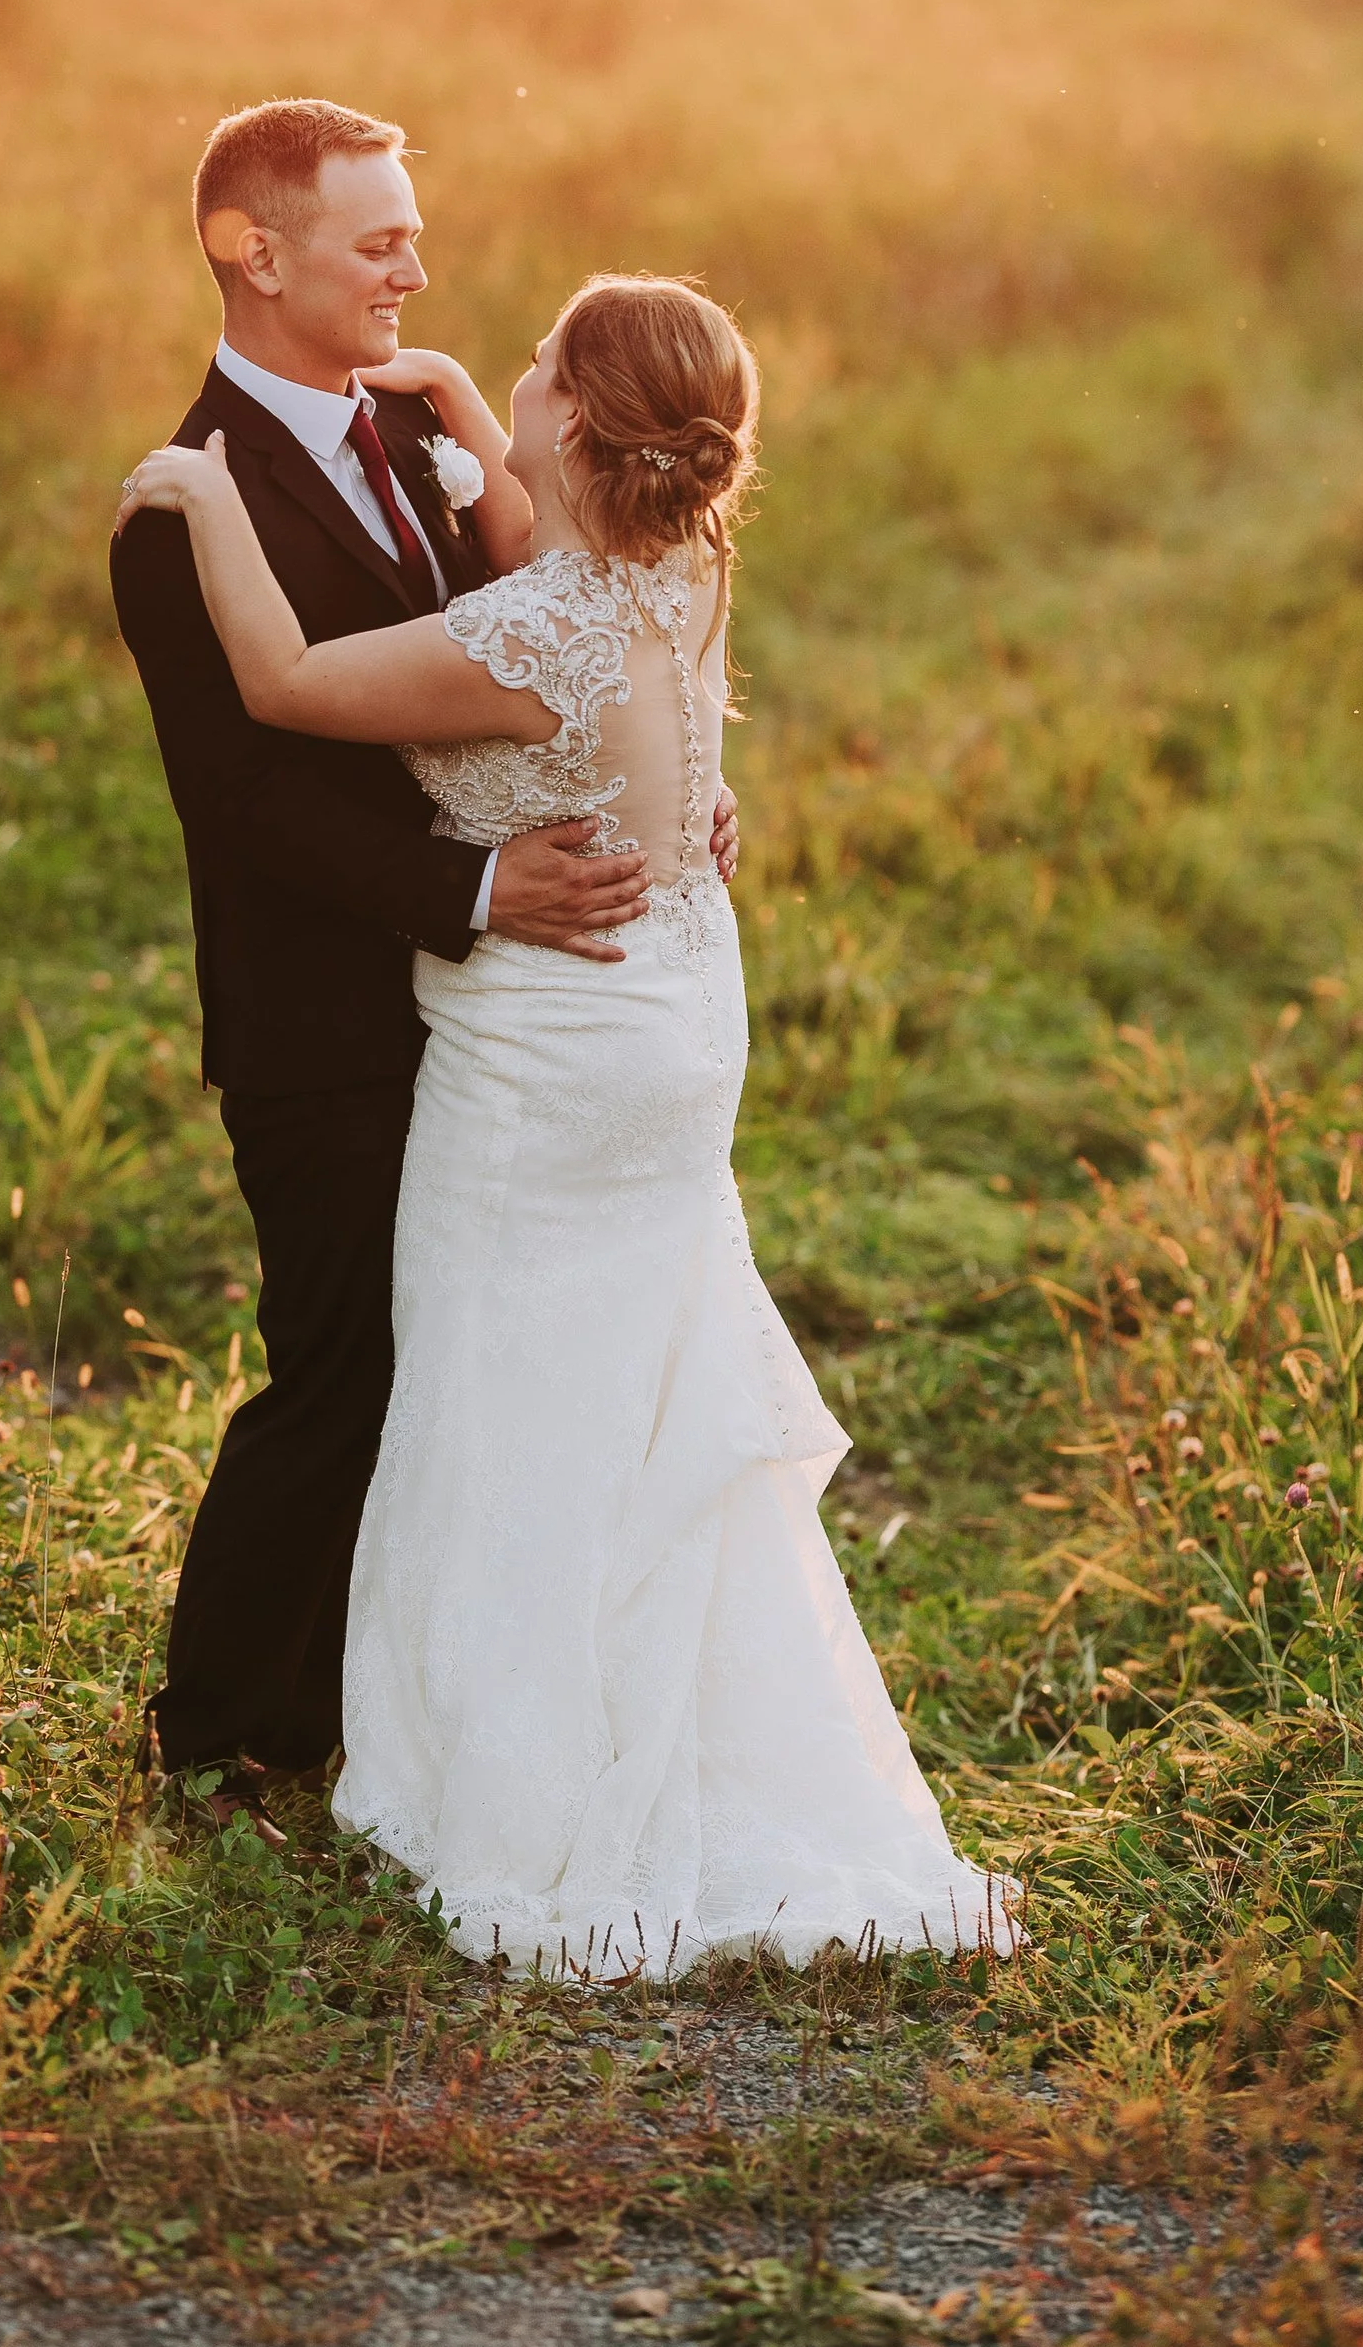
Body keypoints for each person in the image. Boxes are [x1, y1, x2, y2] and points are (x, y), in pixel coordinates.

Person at [120, 263, 1017, 1972]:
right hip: (674, 1005)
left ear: (585, 425)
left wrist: (201, 489)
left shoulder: (535, 626)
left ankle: (513, 1782)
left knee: (498, 1384)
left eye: (538, 364)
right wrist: (468, 397)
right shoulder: (678, 574)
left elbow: (293, 683)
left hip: (549, 1045)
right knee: (631, 1371)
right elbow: (571, 577)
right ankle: (671, 1711)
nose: (507, 368)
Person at [109, 97, 737, 1820]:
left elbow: (566, 626)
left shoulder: (417, 433)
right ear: (255, 252)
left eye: (411, 231)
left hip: (499, 1017)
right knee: (342, 1361)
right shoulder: (182, 512)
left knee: (464, 1360)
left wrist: (665, 791)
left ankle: (385, 1714)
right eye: (376, 236)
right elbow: (249, 799)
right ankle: (221, 1734)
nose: (416, 265)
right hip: (330, 1008)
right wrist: (473, 888)